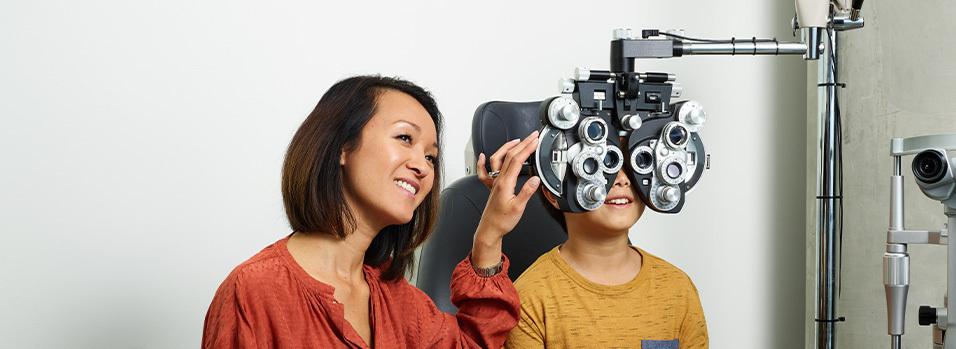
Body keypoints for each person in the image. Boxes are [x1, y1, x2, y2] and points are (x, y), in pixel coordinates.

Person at [202, 75, 542, 348]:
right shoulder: (252, 292)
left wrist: (490, 233)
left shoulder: (398, 301)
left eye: (431, 157)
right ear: (342, 147)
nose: (422, 167)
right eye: (405, 138)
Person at [476, 140, 708, 349]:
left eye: (638, 162)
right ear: (554, 190)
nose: (622, 179)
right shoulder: (531, 298)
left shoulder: (678, 289)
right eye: (601, 162)